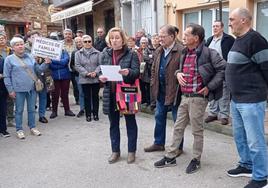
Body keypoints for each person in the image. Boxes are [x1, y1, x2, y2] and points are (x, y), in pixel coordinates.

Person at [154, 23, 226, 174]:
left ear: (196, 38)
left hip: (198, 98)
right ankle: (170, 156)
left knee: (196, 131)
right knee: (178, 127)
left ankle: (196, 159)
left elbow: (223, 69)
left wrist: (209, 87)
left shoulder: (209, 53)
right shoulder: (185, 52)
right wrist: (177, 73)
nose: (184, 37)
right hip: (184, 98)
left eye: (187, 35)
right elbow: (181, 70)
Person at [226, 8, 268, 188]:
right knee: (240, 136)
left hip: (252, 100)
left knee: (255, 140)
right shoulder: (239, 40)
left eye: (232, 19)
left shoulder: (256, 40)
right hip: (237, 100)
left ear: (244, 20)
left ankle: (261, 177)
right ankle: (246, 165)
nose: (229, 22)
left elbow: (267, 69)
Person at [99, 27, 140, 164]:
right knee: (113, 124)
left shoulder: (132, 54)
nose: (114, 40)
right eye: (112, 38)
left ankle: (131, 151)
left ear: (123, 39)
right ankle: (115, 151)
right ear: (109, 40)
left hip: (126, 94)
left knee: (130, 123)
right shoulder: (105, 54)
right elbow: (101, 71)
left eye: (117, 37)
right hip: (110, 93)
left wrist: (128, 72)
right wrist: (101, 78)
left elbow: (136, 73)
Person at [144, 25, 184, 154]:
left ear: (172, 36)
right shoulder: (159, 50)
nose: (160, 39)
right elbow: (154, 69)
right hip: (160, 91)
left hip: (175, 92)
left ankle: (178, 147)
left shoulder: (181, 50)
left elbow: (183, 70)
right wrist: (153, 84)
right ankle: (159, 143)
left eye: (163, 36)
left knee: (178, 120)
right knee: (159, 117)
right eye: (159, 36)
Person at [4, 37, 51, 139]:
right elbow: (6, 76)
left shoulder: (30, 57)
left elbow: (38, 70)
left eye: (21, 44)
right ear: (12, 47)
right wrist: (10, 90)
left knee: (31, 110)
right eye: (17, 44)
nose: (21, 46)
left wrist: (46, 63)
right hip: (18, 89)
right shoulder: (9, 59)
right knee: (19, 110)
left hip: (32, 88)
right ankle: (19, 129)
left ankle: (32, 127)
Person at [205, 20, 235, 125]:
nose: (215, 28)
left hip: (223, 70)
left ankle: (224, 115)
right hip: (211, 72)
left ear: (222, 28)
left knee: (224, 93)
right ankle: (213, 113)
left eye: (217, 26)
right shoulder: (209, 40)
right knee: (212, 92)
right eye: (213, 26)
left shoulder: (229, 39)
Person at [75, 35, 101, 122]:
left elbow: (100, 64)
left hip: (95, 78)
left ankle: (95, 114)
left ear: (92, 42)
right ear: (82, 43)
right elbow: (77, 65)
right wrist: (86, 73)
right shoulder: (78, 54)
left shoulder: (98, 53)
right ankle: (88, 115)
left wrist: (96, 72)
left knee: (95, 97)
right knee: (86, 97)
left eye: (89, 41)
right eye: (85, 41)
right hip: (84, 79)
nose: (87, 43)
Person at [49, 46, 75, 119]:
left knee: (65, 94)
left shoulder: (64, 52)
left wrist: (53, 61)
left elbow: (65, 62)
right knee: (54, 94)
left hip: (65, 76)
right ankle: (54, 111)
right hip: (55, 76)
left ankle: (67, 110)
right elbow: (51, 66)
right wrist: (59, 63)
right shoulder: (49, 53)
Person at [0, 31, 15, 127]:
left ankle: (10, 119)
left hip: (10, 78)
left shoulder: (11, 51)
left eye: (3, 38)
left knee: (10, 99)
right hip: (0, 79)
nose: (1, 40)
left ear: (6, 39)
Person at [62, 29, 79, 105]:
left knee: (76, 85)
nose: (68, 35)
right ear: (63, 35)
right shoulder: (59, 44)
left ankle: (78, 99)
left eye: (69, 34)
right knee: (64, 87)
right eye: (66, 34)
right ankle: (63, 101)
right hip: (63, 68)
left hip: (74, 68)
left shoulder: (76, 44)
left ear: (72, 35)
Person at [70, 36, 85, 118]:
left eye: (80, 41)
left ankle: (92, 109)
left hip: (88, 75)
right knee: (81, 93)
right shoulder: (74, 52)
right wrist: (77, 70)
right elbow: (71, 64)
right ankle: (82, 109)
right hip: (78, 75)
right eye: (76, 42)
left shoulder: (87, 51)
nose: (78, 43)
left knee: (89, 93)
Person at [138, 37, 152, 106]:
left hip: (147, 71)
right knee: (141, 87)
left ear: (147, 43)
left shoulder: (149, 50)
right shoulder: (138, 50)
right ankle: (143, 99)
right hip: (140, 72)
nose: (143, 44)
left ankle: (148, 100)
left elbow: (151, 60)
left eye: (145, 43)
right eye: (142, 43)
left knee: (147, 87)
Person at [0, 55, 10, 137]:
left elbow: (7, 72)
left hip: (2, 89)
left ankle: (3, 130)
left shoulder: (2, 59)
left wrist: (2, 75)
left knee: (2, 110)